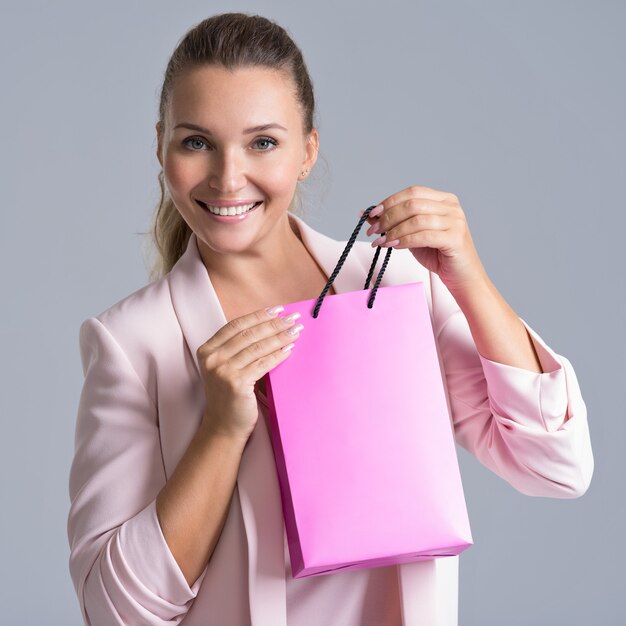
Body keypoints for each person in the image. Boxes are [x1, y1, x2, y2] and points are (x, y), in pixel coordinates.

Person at [66, 11, 594, 626]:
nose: (228, 177)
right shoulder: (135, 343)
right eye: (196, 141)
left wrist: (466, 274)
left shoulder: (398, 287)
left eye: (262, 142)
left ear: (308, 149)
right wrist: (219, 430)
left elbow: (557, 466)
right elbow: (113, 612)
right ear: (161, 145)